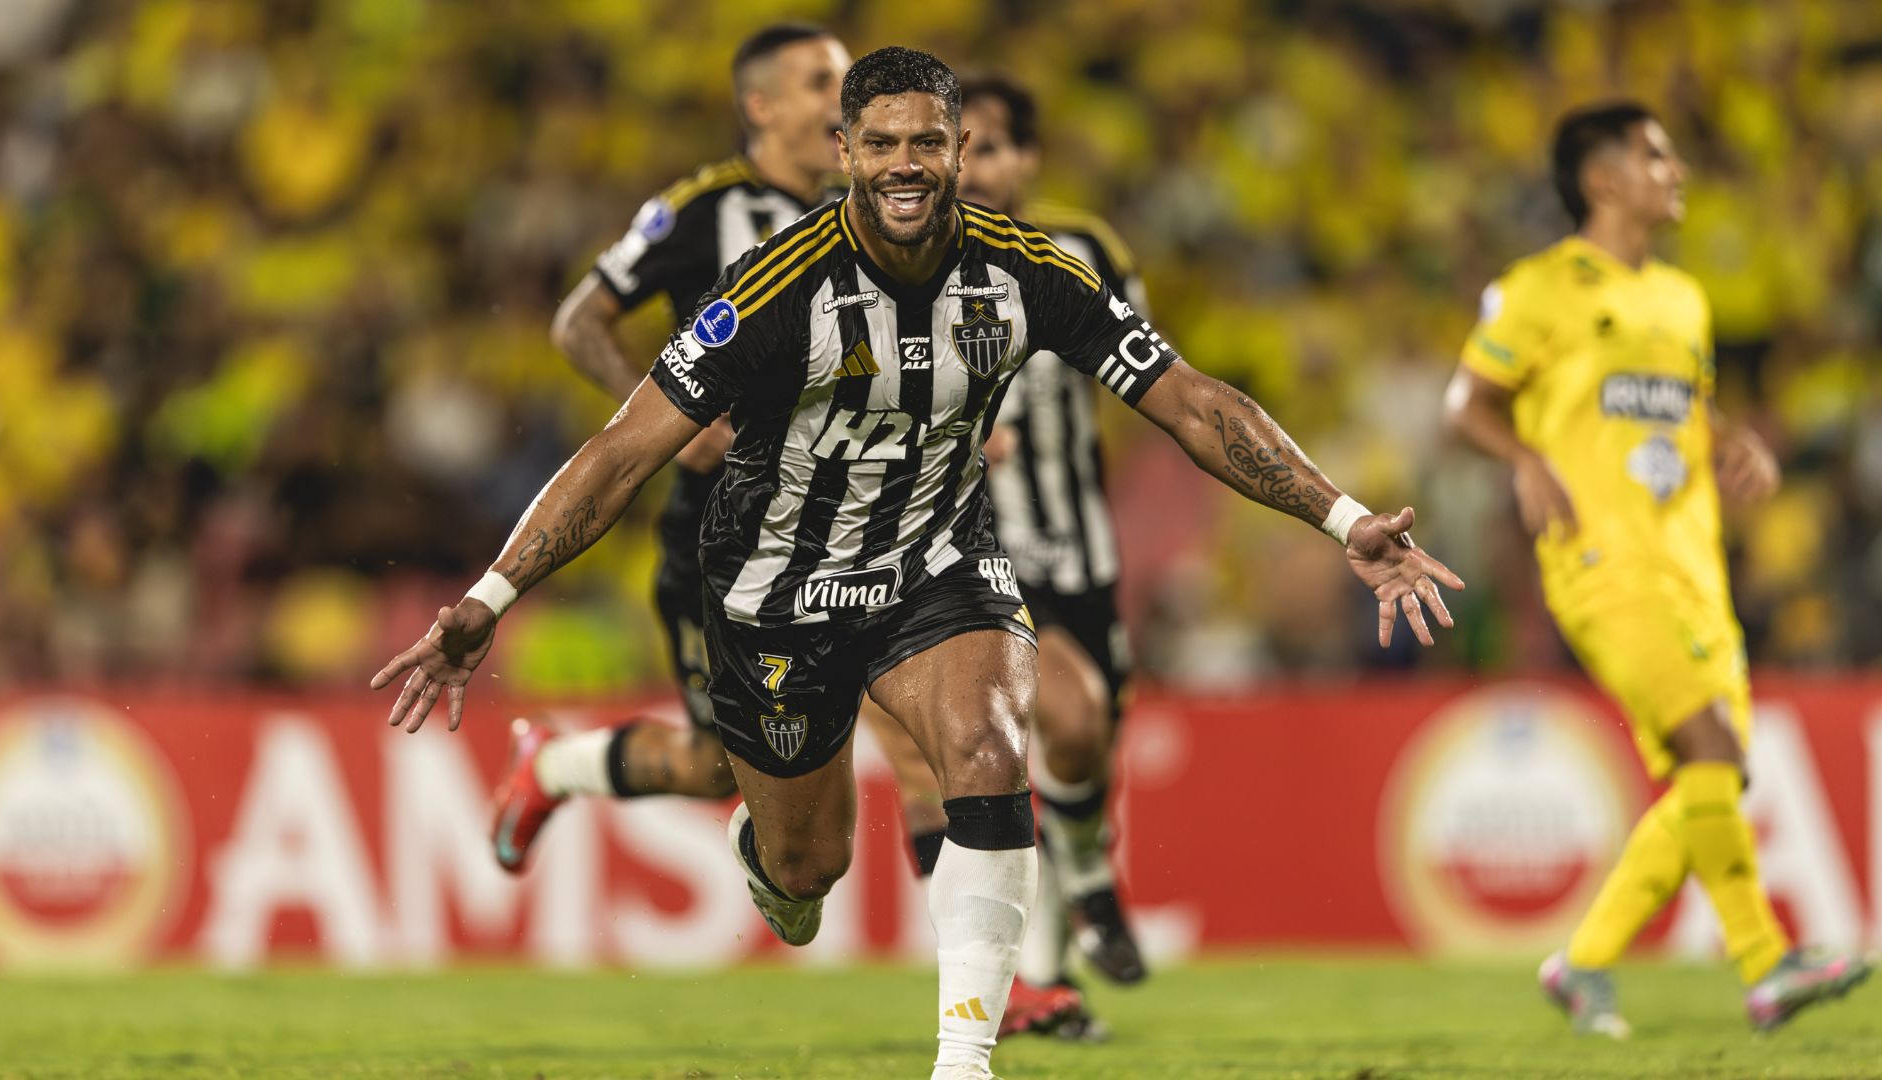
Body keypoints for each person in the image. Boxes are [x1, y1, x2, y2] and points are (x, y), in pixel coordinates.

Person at [376, 47, 1461, 1080]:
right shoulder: (771, 286)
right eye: (883, 141)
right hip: (776, 591)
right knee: (805, 876)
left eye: (929, 143)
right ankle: (747, 841)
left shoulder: (1027, 271)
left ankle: (964, 1060)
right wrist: (489, 597)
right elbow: (621, 454)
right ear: (846, 150)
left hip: (936, 561)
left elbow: (1190, 400)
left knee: (988, 747)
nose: (907, 165)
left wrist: (1343, 517)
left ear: (958, 148)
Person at [1443, 101, 1870, 1037]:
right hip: (1602, 559)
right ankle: (1768, 963)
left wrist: (1731, 440)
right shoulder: (1539, 288)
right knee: (1713, 750)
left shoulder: (1683, 299)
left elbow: (1682, 404)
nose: (1677, 171)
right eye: (1655, 155)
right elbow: (1465, 402)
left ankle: (1582, 962)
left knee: (1712, 780)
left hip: (1694, 566)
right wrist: (1524, 461)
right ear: (1602, 179)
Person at [488, 24, 851, 871]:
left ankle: (1005, 973)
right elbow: (578, 322)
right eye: (818, 81)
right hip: (720, 535)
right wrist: (659, 414)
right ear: (760, 106)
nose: (842, 97)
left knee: (931, 719)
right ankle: (551, 766)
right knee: (716, 764)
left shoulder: (861, 216)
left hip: (845, 530)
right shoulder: (701, 211)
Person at [886, 73, 1153, 1042]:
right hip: (971, 553)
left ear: (1032, 160)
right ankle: (1045, 972)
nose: (984, 167)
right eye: (971, 147)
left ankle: (1085, 888)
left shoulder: (1086, 254)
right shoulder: (912, 262)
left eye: (1001, 147)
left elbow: (1136, 384)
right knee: (1046, 728)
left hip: (1079, 548)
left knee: (1085, 744)